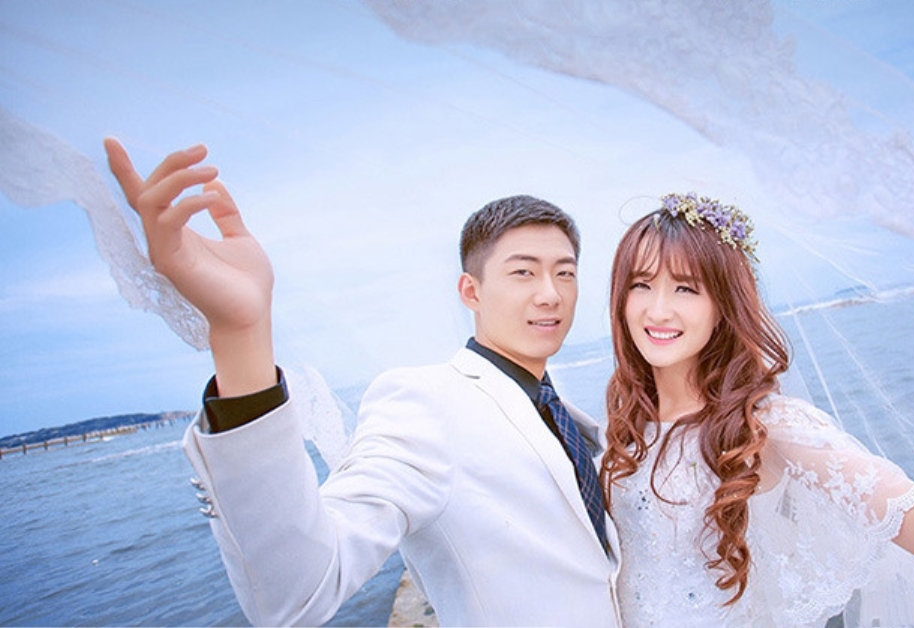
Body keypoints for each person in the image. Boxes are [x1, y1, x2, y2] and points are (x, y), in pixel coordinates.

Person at [102, 138, 621, 627]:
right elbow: (298, 591)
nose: (551, 294)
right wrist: (242, 335)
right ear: (471, 291)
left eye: (565, 273)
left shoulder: (558, 409)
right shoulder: (427, 404)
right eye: (523, 272)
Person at [601, 193, 914, 626]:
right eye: (641, 285)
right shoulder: (622, 430)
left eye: (685, 288)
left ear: (723, 304)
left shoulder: (766, 425)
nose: (657, 310)